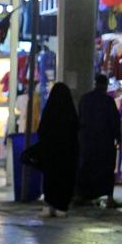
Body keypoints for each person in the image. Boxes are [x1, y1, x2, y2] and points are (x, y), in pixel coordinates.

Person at [77, 75, 121, 207]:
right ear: (105, 85)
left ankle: (83, 196)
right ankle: (109, 197)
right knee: (106, 170)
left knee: (87, 168)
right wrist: (117, 139)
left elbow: (80, 119)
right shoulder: (108, 101)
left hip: (87, 141)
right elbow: (115, 122)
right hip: (104, 142)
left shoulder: (85, 99)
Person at [37, 82, 80, 218]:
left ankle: (49, 204)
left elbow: (41, 131)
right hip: (67, 155)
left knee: (50, 178)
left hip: (51, 154)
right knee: (65, 179)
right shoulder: (71, 112)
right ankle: (61, 206)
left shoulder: (48, 111)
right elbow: (76, 132)